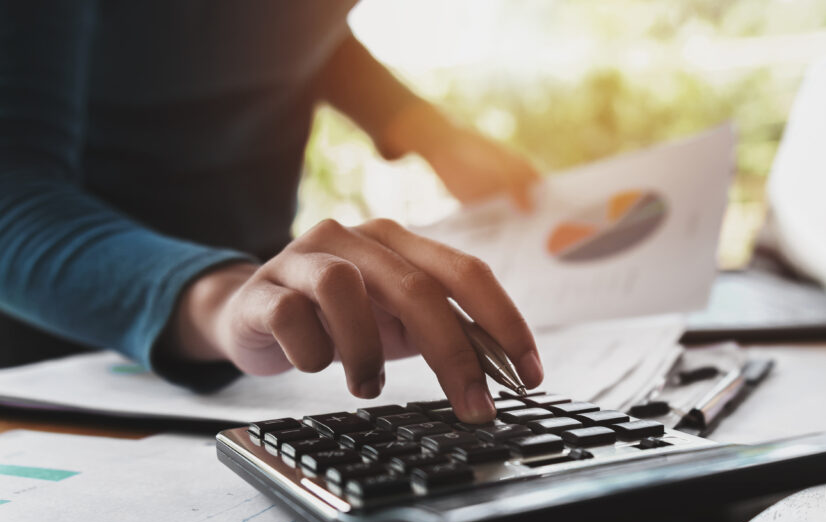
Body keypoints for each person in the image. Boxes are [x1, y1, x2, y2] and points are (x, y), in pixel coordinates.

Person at [0, 1, 544, 423]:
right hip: (66, 349)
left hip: (266, 337)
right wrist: (219, 297)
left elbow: (294, 27)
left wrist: (416, 125)